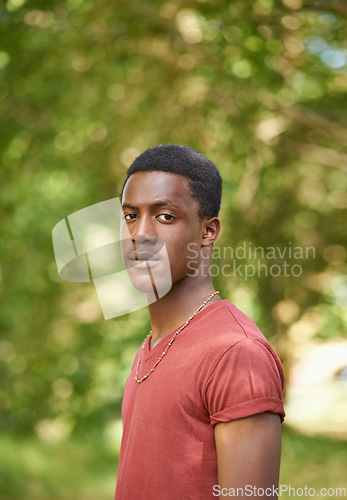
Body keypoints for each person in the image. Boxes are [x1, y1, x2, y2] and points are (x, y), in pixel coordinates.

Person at [115, 144, 285, 500]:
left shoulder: (236, 353)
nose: (140, 234)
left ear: (208, 232)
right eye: (131, 215)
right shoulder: (153, 345)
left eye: (165, 217)